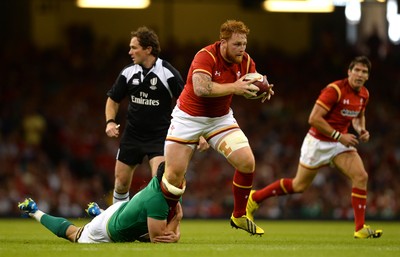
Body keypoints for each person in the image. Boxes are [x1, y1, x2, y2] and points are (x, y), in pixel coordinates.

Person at [246, 56, 383, 239]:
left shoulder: (364, 94)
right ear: (349, 72)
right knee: (298, 186)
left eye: (364, 72)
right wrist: (338, 136)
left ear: (368, 76)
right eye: (356, 70)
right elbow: (313, 119)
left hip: (340, 144)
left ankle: (360, 228)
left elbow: (358, 116)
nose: (360, 74)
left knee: (361, 176)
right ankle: (254, 199)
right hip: (318, 142)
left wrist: (361, 129)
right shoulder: (334, 90)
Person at [160, 20, 274, 236]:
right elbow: (202, 89)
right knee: (174, 176)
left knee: (247, 162)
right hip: (188, 118)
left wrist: (263, 89)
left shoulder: (246, 61)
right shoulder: (206, 56)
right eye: (237, 44)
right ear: (223, 42)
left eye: (244, 44)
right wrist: (236, 87)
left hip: (219, 119)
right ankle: (168, 220)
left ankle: (239, 215)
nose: (242, 49)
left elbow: (251, 82)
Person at [105, 26, 185, 203]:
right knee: (120, 184)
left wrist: (197, 132)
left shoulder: (168, 73)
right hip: (132, 135)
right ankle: (119, 224)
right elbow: (113, 99)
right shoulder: (128, 72)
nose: (130, 52)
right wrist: (110, 121)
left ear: (148, 49)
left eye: (134, 47)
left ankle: (162, 225)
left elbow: (187, 102)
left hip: (159, 137)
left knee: (160, 184)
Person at [18, 165, 183, 243]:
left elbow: (172, 234)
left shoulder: (170, 188)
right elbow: (160, 239)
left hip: (121, 211)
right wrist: (178, 220)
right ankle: (34, 211)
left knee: (142, 234)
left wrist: (175, 230)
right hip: (107, 230)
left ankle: (100, 212)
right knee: (74, 234)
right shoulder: (156, 198)